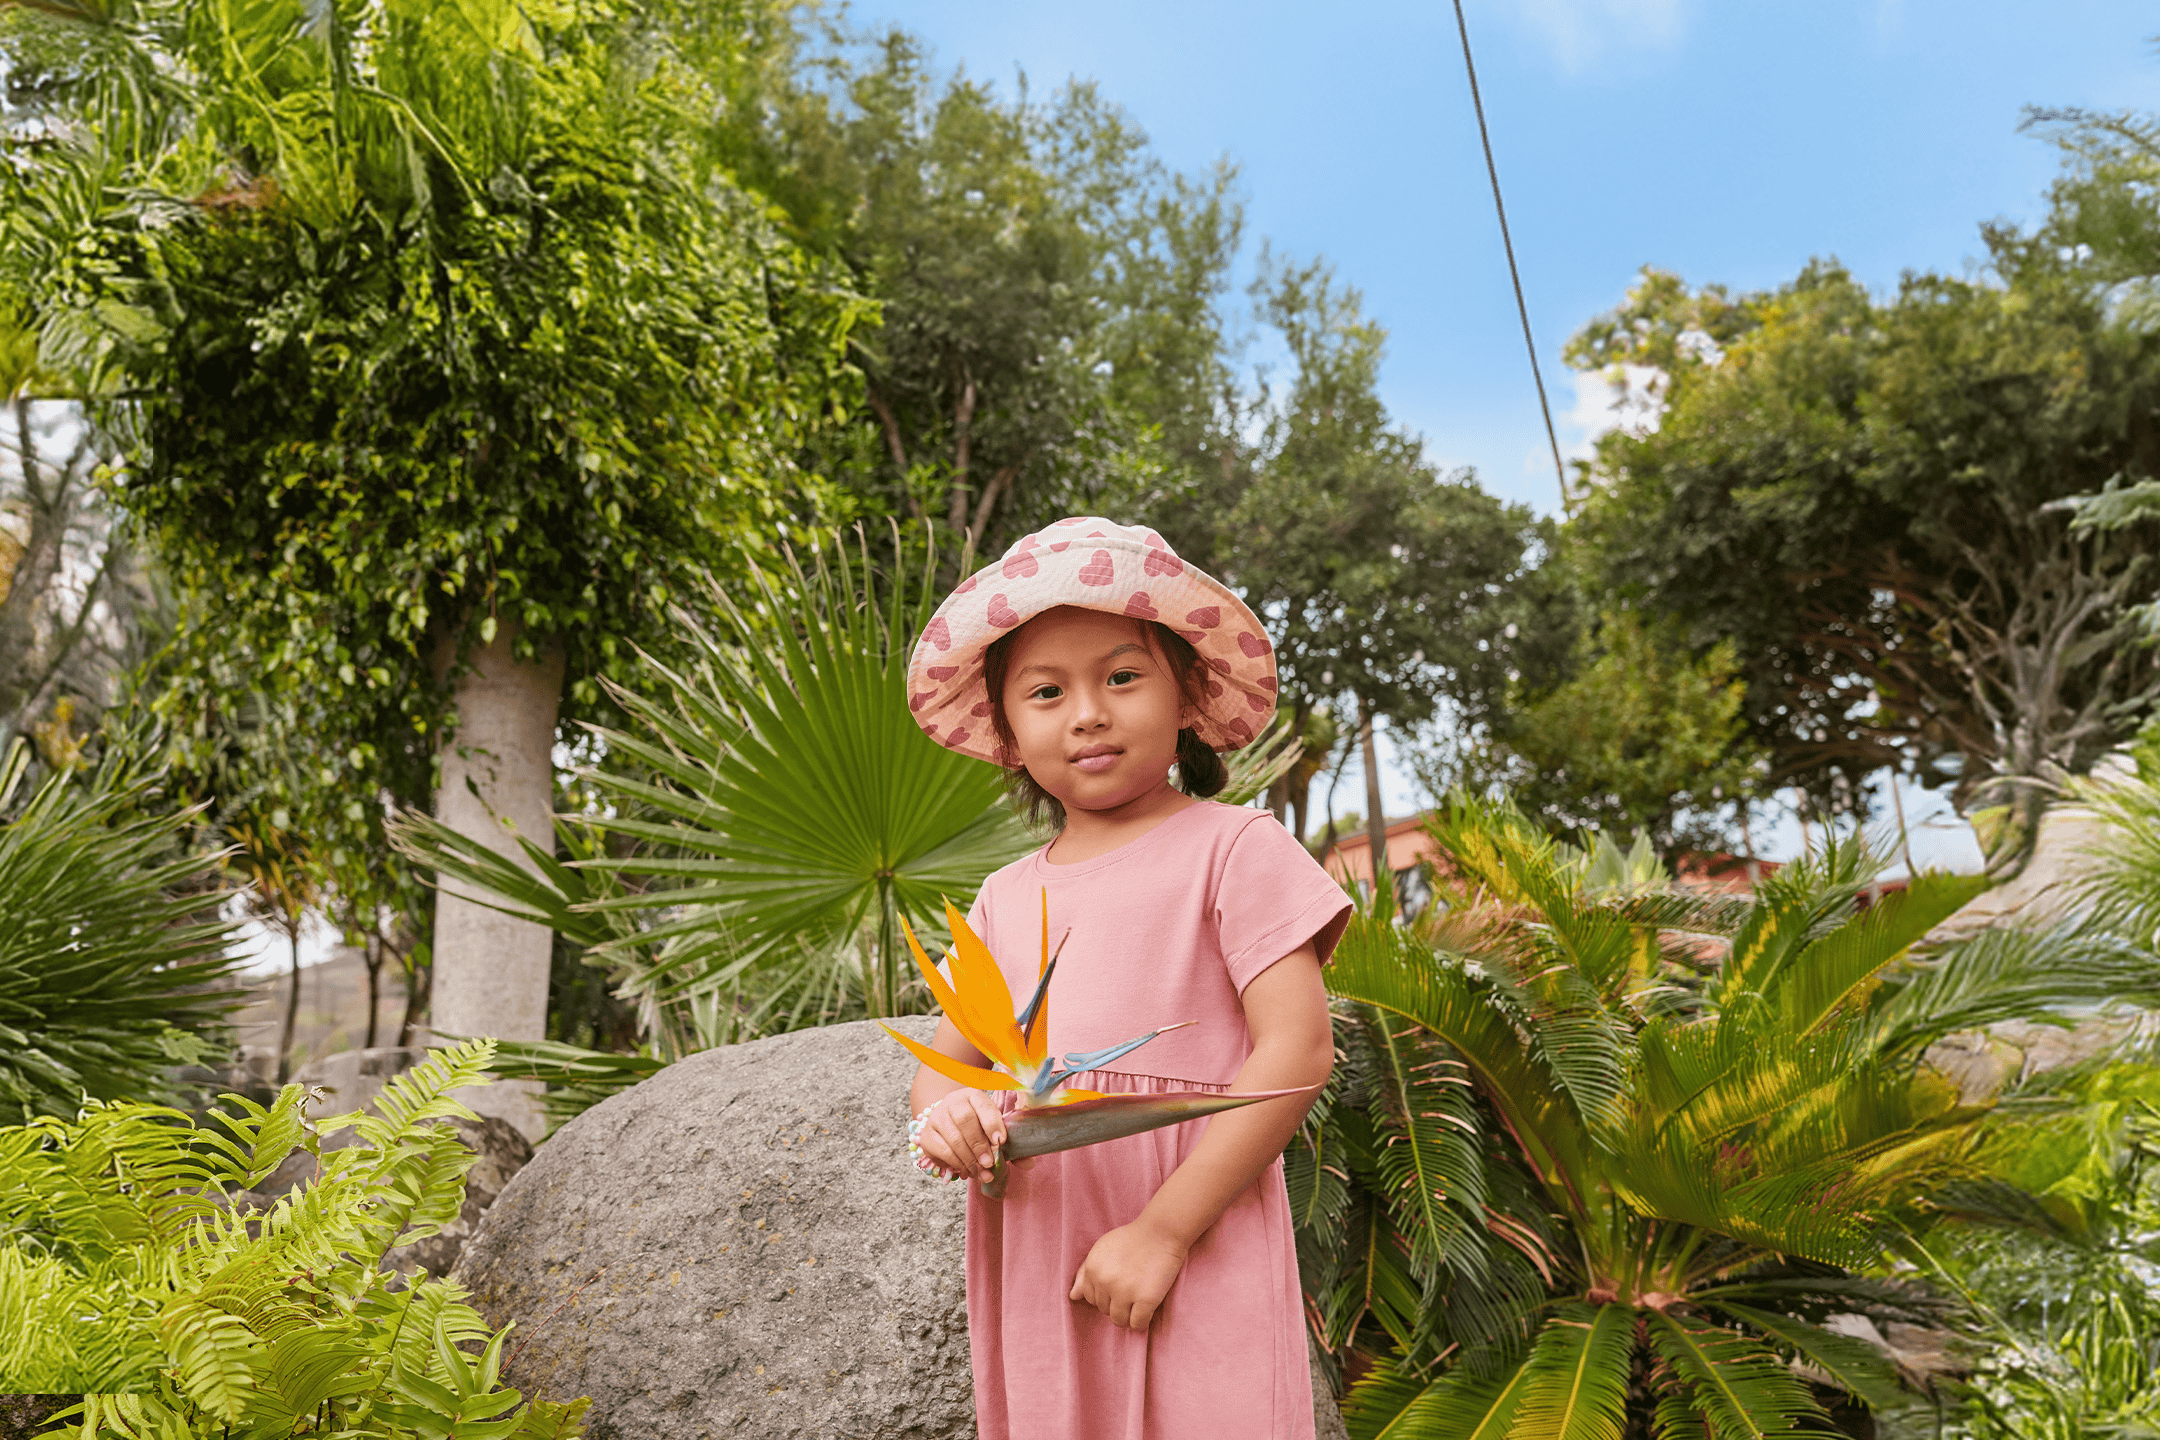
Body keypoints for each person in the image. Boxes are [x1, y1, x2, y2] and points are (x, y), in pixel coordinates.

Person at [902, 516, 1352, 1440]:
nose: (1087, 713)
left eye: (1121, 676)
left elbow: (1299, 1046)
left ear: (1185, 694)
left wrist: (1163, 1232)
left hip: (1195, 1218)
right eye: (1045, 691)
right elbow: (945, 1071)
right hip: (1040, 1238)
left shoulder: (1235, 850)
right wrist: (952, 1118)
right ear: (1009, 730)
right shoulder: (999, 898)